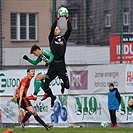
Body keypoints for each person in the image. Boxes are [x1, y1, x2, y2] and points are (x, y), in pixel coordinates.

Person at [45, 13, 72, 96]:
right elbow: (52, 28)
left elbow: (69, 30)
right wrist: (57, 20)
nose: (55, 30)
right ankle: (52, 97)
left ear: (60, 31)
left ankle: (63, 85)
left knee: (67, 86)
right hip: (53, 65)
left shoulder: (64, 38)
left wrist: (67, 20)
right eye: (55, 30)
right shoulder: (51, 38)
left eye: (57, 29)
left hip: (61, 65)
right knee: (45, 85)